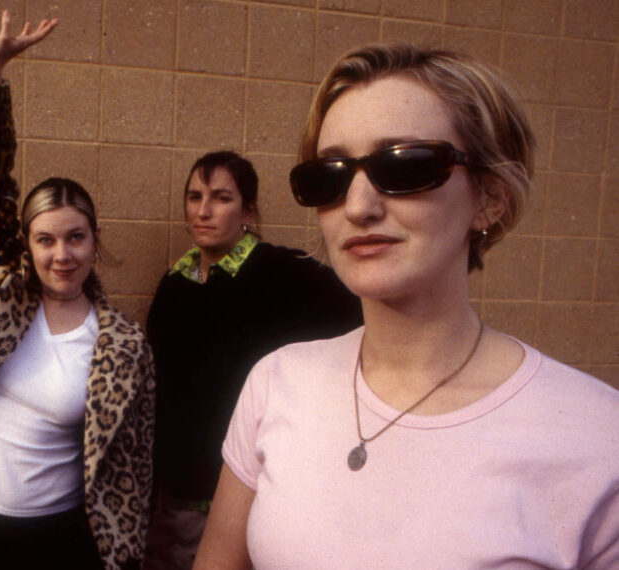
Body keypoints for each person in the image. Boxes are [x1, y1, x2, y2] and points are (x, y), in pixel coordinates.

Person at [193, 43, 619, 569]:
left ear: (489, 197)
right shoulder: (277, 382)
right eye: (330, 174)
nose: (358, 205)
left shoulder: (598, 438)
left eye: (406, 165)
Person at [0, 11, 155, 570]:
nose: (62, 255)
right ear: (26, 244)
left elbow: (131, 471)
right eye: (46, 240)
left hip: (55, 540)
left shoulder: (124, 347)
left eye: (76, 237)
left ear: (94, 239)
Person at [144, 151, 361, 568]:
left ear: (249, 210)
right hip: (173, 502)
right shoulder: (174, 284)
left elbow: (361, 314)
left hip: (242, 497)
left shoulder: (281, 273)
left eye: (221, 198)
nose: (203, 211)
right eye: (194, 196)